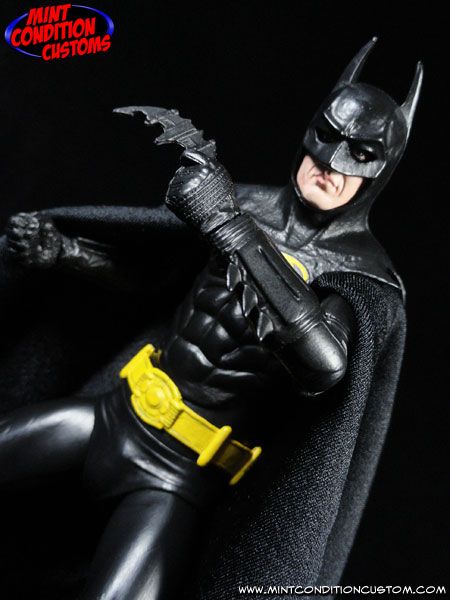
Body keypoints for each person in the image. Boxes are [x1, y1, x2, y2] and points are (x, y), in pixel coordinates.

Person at [0, 38, 421, 599]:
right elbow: (153, 283)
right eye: (327, 138)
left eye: (358, 154)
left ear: (380, 171)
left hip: (178, 476)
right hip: (116, 411)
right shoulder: (241, 200)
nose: (329, 164)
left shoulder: (360, 278)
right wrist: (65, 251)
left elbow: (323, 365)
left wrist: (229, 227)